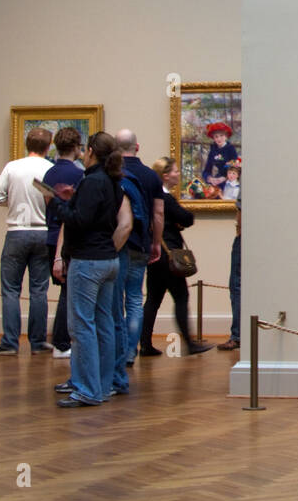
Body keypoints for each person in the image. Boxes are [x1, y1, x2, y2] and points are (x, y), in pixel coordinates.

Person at [51, 131, 132, 407]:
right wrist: (72, 197)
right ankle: (104, 385)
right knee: (105, 324)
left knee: (82, 326)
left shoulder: (93, 180)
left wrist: (57, 204)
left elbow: (79, 220)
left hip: (88, 261)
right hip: (109, 259)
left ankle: (87, 389)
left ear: (91, 152)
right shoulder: (112, 181)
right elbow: (98, 215)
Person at [0, 127, 54, 356]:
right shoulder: (51, 169)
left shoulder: (12, 167)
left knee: (11, 290)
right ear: (48, 146)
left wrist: (14, 203)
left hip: (17, 231)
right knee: (39, 290)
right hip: (43, 231)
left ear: (27, 144)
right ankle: (38, 343)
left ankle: (10, 342)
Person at [142, 157, 214, 356]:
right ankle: (190, 344)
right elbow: (187, 218)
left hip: (156, 255)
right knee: (181, 297)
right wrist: (177, 221)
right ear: (165, 175)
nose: (177, 174)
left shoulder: (150, 196)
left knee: (153, 300)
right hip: (168, 254)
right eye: (174, 171)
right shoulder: (165, 198)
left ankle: (145, 343)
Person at [114, 130, 165, 375]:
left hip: (117, 244)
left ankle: (118, 351)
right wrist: (156, 242)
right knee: (135, 299)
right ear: (138, 146)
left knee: (115, 300)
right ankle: (130, 352)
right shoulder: (150, 176)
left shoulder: (112, 174)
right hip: (141, 243)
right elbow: (158, 214)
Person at [42, 128, 86, 358]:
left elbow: (47, 203)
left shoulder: (49, 174)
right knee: (69, 290)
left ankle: (59, 338)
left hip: (50, 234)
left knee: (64, 290)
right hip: (66, 236)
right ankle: (61, 341)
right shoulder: (80, 175)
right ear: (77, 147)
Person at [218, 193, 242, 351]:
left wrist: (240, 233)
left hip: (245, 237)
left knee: (237, 286)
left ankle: (237, 335)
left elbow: (241, 212)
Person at [202, 122, 238, 187]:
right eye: (216, 137)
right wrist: (210, 179)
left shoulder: (231, 149)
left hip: (229, 182)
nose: (219, 139)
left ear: (226, 136)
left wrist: (225, 178)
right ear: (213, 138)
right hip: (216, 181)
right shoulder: (213, 150)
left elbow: (235, 169)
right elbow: (207, 170)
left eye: (221, 135)